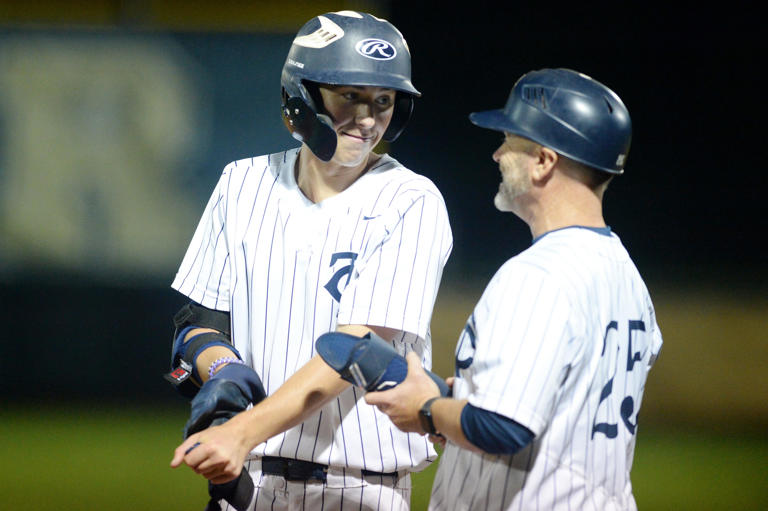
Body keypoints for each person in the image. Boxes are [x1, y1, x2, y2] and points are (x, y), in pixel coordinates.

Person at [166, 10, 453, 511]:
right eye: (350, 96)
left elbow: (354, 351)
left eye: (383, 100)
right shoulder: (241, 184)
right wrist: (224, 368)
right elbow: (197, 325)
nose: (368, 119)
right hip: (248, 485)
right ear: (301, 95)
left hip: (361, 490)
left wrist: (241, 431)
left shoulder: (410, 199)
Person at [365, 68, 663, 510]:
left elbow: (502, 427)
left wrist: (428, 410)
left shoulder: (538, 275)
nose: (497, 153)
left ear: (544, 161)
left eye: (511, 140)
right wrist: (458, 404)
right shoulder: (626, 276)